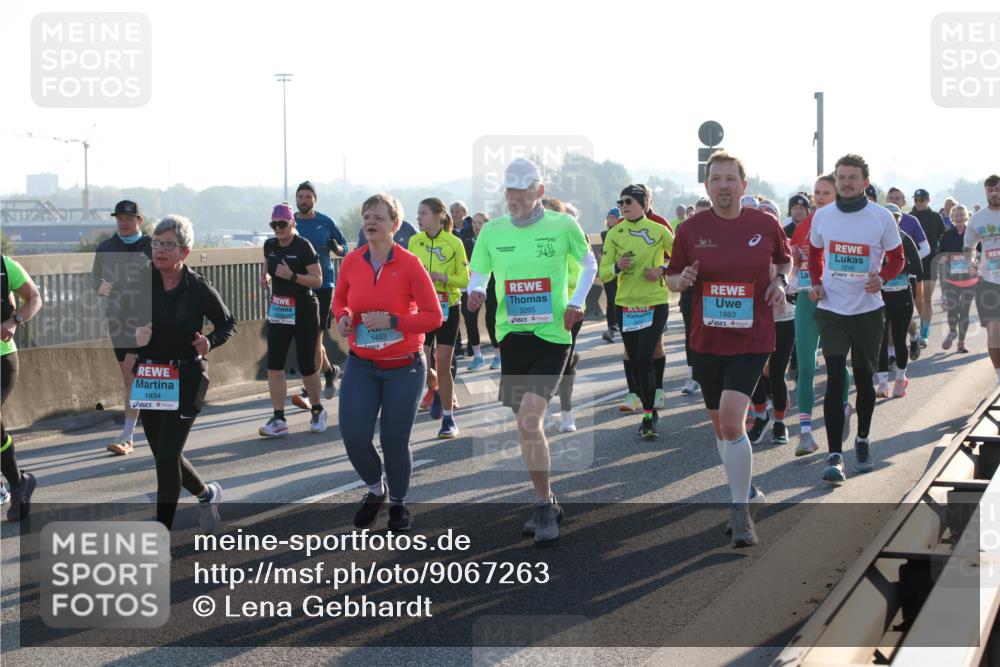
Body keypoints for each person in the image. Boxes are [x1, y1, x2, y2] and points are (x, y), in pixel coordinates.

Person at [467, 158, 596, 544]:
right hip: (511, 337)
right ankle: (549, 499)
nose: (514, 198)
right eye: (509, 191)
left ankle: (542, 505)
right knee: (525, 424)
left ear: (539, 191)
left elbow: (588, 263)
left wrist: (577, 301)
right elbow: (480, 272)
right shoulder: (492, 230)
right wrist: (475, 291)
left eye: (521, 191)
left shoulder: (563, 225)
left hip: (553, 335)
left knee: (528, 418)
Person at [665, 151, 790, 548]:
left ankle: (739, 512)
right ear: (706, 186)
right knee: (722, 428)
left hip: (752, 337)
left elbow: (785, 263)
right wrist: (681, 280)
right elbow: (671, 279)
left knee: (735, 422)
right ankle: (750, 494)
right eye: (715, 179)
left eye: (730, 179)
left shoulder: (765, 224)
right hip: (707, 338)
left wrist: (780, 283)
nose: (723, 185)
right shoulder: (689, 229)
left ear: (743, 185)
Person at [334, 193, 442, 531]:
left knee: (394, 441)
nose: (370, 222)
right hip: (362, 364)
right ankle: (375, 489)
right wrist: (343, 318)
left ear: (394, 225)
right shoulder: (352, 261)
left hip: (404, 367)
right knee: (353, 436)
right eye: (367, 216)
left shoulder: (410, 264)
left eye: (379, 217)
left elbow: (433, 316)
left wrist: (395, 322)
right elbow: (339, 300)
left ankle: (398, 503)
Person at [128, 215, 235, 530]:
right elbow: (120, 319)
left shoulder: (197, 285)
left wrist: (209, 343)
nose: (160, 250)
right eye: (156, 243)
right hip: (150, 379)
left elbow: (228, 322)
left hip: (187, 378)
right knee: (164, 454)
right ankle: (206, 494)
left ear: (184, 252)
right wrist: (134, 335)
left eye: (168, 245)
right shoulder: (141, 280)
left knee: (166, 458)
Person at [808, 154, 904, 484]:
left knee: (864, 380)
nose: (846, 182)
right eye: (841, 177)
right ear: (836, 181)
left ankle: (862, 438)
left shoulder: (880, 217)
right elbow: (814, 253)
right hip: (833, 309)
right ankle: (835, 455)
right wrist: (818, 282)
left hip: (868, 310)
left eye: (853, 177)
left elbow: (897, 258)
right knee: (835, 378)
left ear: (864, 182)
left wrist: (884, 278)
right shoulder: (823, 216)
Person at [599, 185, 673, 438]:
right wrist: (618, 267)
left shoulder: (659, 230)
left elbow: (680, 258)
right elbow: (604, 272)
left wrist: (662, 269)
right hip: (626, 304)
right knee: (636, 358)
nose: (623, 205)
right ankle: (647, 410)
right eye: (620, 202)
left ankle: (649, 414)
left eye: (629, 201)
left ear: (643, 203)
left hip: (654, 302)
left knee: (644, 357)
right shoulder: (615, 233)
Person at [788, 175, 850, 456]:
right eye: (817, 192)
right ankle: (804, 434)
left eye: (827, 192)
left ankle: (843, 406)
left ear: (837, 194)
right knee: (805, 366)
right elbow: (795, 263)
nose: (821, 196)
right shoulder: (803, 226)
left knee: (836, 363)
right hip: (806, 298)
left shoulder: (847, 224)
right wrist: (791, 273)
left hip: (835, 301)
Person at [258, 203, 328, 437]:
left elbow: (317, 280)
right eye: (274, 224)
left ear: (292, 224)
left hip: (304, 307)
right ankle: (279, 418)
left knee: (306, 364)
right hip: (280, 308)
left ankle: (317, 410)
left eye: (282, 224)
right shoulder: (269, 245)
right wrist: (265, 276)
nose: (278, 228)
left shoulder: (303, 246)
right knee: (274, 365)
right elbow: (268, 264)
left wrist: (293, 276)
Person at [93, 200, 153, 456]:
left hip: (147, 319)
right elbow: (94, 279)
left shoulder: (152, 245)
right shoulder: (106, 248)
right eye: (119, 218)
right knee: (131, 378)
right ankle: (137, 430)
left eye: (129, 218)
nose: (124, 223)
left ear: (139, 220)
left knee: (137, 376)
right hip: (117, 319)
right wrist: (99, 287)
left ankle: (128, 436)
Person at [409, 198, 469, 438]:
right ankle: (434, 386)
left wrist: (443, 278)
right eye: (417, 213)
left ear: (437, 215)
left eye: (422, 213)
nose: (419, 218)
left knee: (443, 363)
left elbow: (464, 279)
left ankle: (448, 419)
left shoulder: (454, 243)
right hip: (422, 308)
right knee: (421, 361)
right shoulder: (414, 241)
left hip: (448, 306)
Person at [289, 181, 348, 410]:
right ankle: (329, 371)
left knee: (313, 339)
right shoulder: (290, 223)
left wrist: (337, 248)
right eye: (300, 196)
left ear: (315, 199)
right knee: (307, 340)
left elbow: (344, 248)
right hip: (297, 287)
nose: (303, 200)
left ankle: (307, 389)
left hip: (322, 286)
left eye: (307, 196)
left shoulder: (325, 222)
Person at [746, 200, 797, 445]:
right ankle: (760, 415)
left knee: (777, 373)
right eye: (761, 215)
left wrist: (782, 284)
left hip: (783, 315)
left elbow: (795, 281)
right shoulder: (745, 245)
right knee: (752, 371)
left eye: (770, 215)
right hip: (753, 316)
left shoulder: (789, 247)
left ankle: (779, 423)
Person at [547, 199, 596, 434]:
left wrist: (573, 301)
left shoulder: (574, 238)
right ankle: (545, 408)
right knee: (542, 362)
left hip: (569, 309)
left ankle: (567, 413)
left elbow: (586, 271)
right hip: (540, 310)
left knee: (563, 364)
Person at [1, 254, 42, 521]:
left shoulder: (5, 266)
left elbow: (35, 298)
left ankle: (16, 485)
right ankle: (19, 483)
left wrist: (13, 322)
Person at [875, 204, 924, 398]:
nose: (892, 220)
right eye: (888, 216)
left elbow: (918, 269)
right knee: (881, 341)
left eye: (895, 216)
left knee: (899, 338)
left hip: (902, 294)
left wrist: (896, 267)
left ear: (899, 218)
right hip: (881, 295)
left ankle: (900, 379)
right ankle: (882, 383)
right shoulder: (875, 239)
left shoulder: (905, 239)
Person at [886, 187, 931, 363]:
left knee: (902, 317)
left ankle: (914, 336)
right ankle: (891, 354)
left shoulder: (911, 221)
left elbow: (925, 248)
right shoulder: (879, 222)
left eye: (898, 198)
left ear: (903, 202)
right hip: (885, 279)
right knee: (887, 317)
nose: (894, 200)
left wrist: (905, 263)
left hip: (907, 277)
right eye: (891, 198)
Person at [965, 175, 1000, 383]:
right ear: (986, 192)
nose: (994, 193)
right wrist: (970, 261)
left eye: (998, 189)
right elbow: (969, 245)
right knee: (994, 330)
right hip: (988, 281)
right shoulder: (978, 218)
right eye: (990, 190)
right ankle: (998, 377)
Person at [911, 188, 947, 349]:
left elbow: (941, 235)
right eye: (916, 200)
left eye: (922, 200)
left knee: (927, 297)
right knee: (917, 297)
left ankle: (924, 332)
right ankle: (924, 323)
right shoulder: (910, 217)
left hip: (931, 261)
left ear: (928, 200)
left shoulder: (935, 216)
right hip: (915, 261)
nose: (919, 203)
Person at [938, 204, 976, 353]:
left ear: (966, 216)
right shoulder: (947, 235)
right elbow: (940, 254)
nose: (959, 217)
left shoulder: (972, 234)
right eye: (956, 215)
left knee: (965, 310)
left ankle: (961, 342)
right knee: (953, 308)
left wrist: (975, 260)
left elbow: (980, 251)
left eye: (962, 214)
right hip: (952, 278)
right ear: (952, 218)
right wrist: (943, 260)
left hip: (969, 278)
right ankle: (953, 332)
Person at [601, 207, 623, 344]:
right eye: (608, 218)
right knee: (611, 300)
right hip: (609, 270)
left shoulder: (624, 233)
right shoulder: (604, 234)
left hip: (622, 269)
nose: (610, 220)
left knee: (621, 299)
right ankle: (611, 328)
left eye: (613, 218)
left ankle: (620, 324)